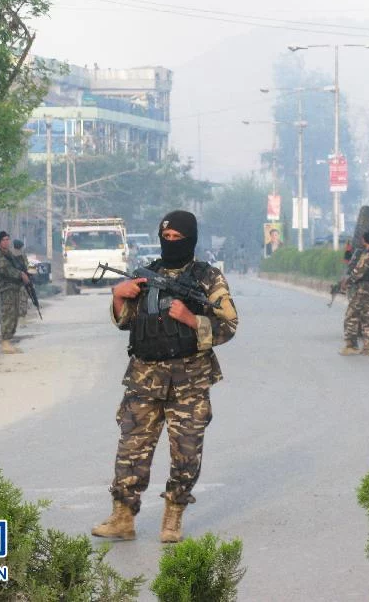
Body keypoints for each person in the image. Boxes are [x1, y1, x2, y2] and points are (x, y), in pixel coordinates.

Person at [92, 210, 238, 543]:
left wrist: (191, 319)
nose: (171, 243)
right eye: (166, 237)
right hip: (144, 379)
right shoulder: (147, 274)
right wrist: (119, 296)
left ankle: (173, 515)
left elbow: (229, 325)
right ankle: (122, 516)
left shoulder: (207, 278)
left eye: (178, 239)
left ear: (191, 240)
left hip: (190, 382)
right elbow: (126, 321)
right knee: (131, 449)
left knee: (186, 453)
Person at [340, 230, 369, 357]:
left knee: (350, 316)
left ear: (366, 240)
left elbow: (358, 272)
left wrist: (346, 283)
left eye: (363, 238)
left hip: (363, 289)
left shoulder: (367, 256)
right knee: (368, 318)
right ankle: (368, 348)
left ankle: (351, 346)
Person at [0, 231, 30, 354]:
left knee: (14, 315)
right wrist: (20, 274)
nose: (6, 242)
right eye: (3, 240)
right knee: (8, 315)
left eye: (8, 239)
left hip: (15, 288)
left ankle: (8, 341)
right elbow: (6, 270)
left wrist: (23, 274)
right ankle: (5, 342)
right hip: (6, 289)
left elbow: (18, 267)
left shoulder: (10, 254)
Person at [12, 239, 30, 320]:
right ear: (21, 247)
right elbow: (26, 267)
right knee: (23, 299)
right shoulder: (23, 256)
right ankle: (22, 317)